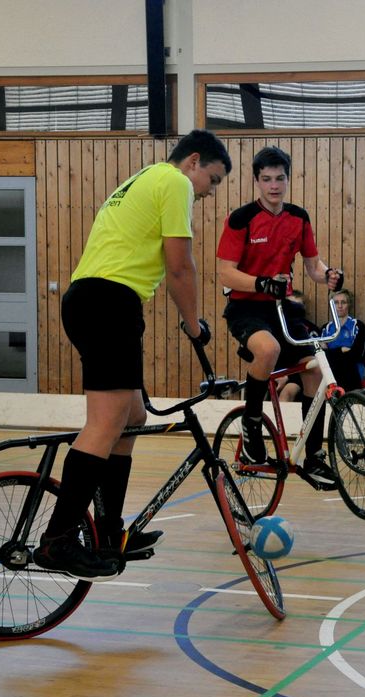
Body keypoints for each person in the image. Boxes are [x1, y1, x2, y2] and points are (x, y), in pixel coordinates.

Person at [33, 129, 232, 581]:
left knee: (133, 417)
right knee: (105, 423)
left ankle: (109, 532)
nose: (208, 192)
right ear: (194, 161)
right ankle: (58, 540)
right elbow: (180, 264)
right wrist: (194, 322)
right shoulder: (175, 183)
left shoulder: (142, 179)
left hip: (95, 301)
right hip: (109, 304)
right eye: (213, 181)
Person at [216, 145, 344, 485]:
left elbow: (314, 267)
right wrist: (261, 283)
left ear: (288, 179)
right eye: (267, 179)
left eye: (280, 178)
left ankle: (313, 455)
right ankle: (252, 428)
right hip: (246, 307)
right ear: (257, 181)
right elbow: (226, 274)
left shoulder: (298, 218)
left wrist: (329, 275)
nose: (274, 185)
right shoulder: (241, 219)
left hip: (283, 308)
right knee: (268, 350)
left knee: (314, 368)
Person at [320, 288, 365, 392]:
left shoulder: (358, 326)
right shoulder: (326, 328)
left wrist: (331, 353)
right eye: (336, 302)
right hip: (331, 375)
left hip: (353, 373)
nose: (340, 306)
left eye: (343, 302)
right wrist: (341, 350)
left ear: (349, 304)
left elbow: (356, 355)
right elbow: (321, 357)